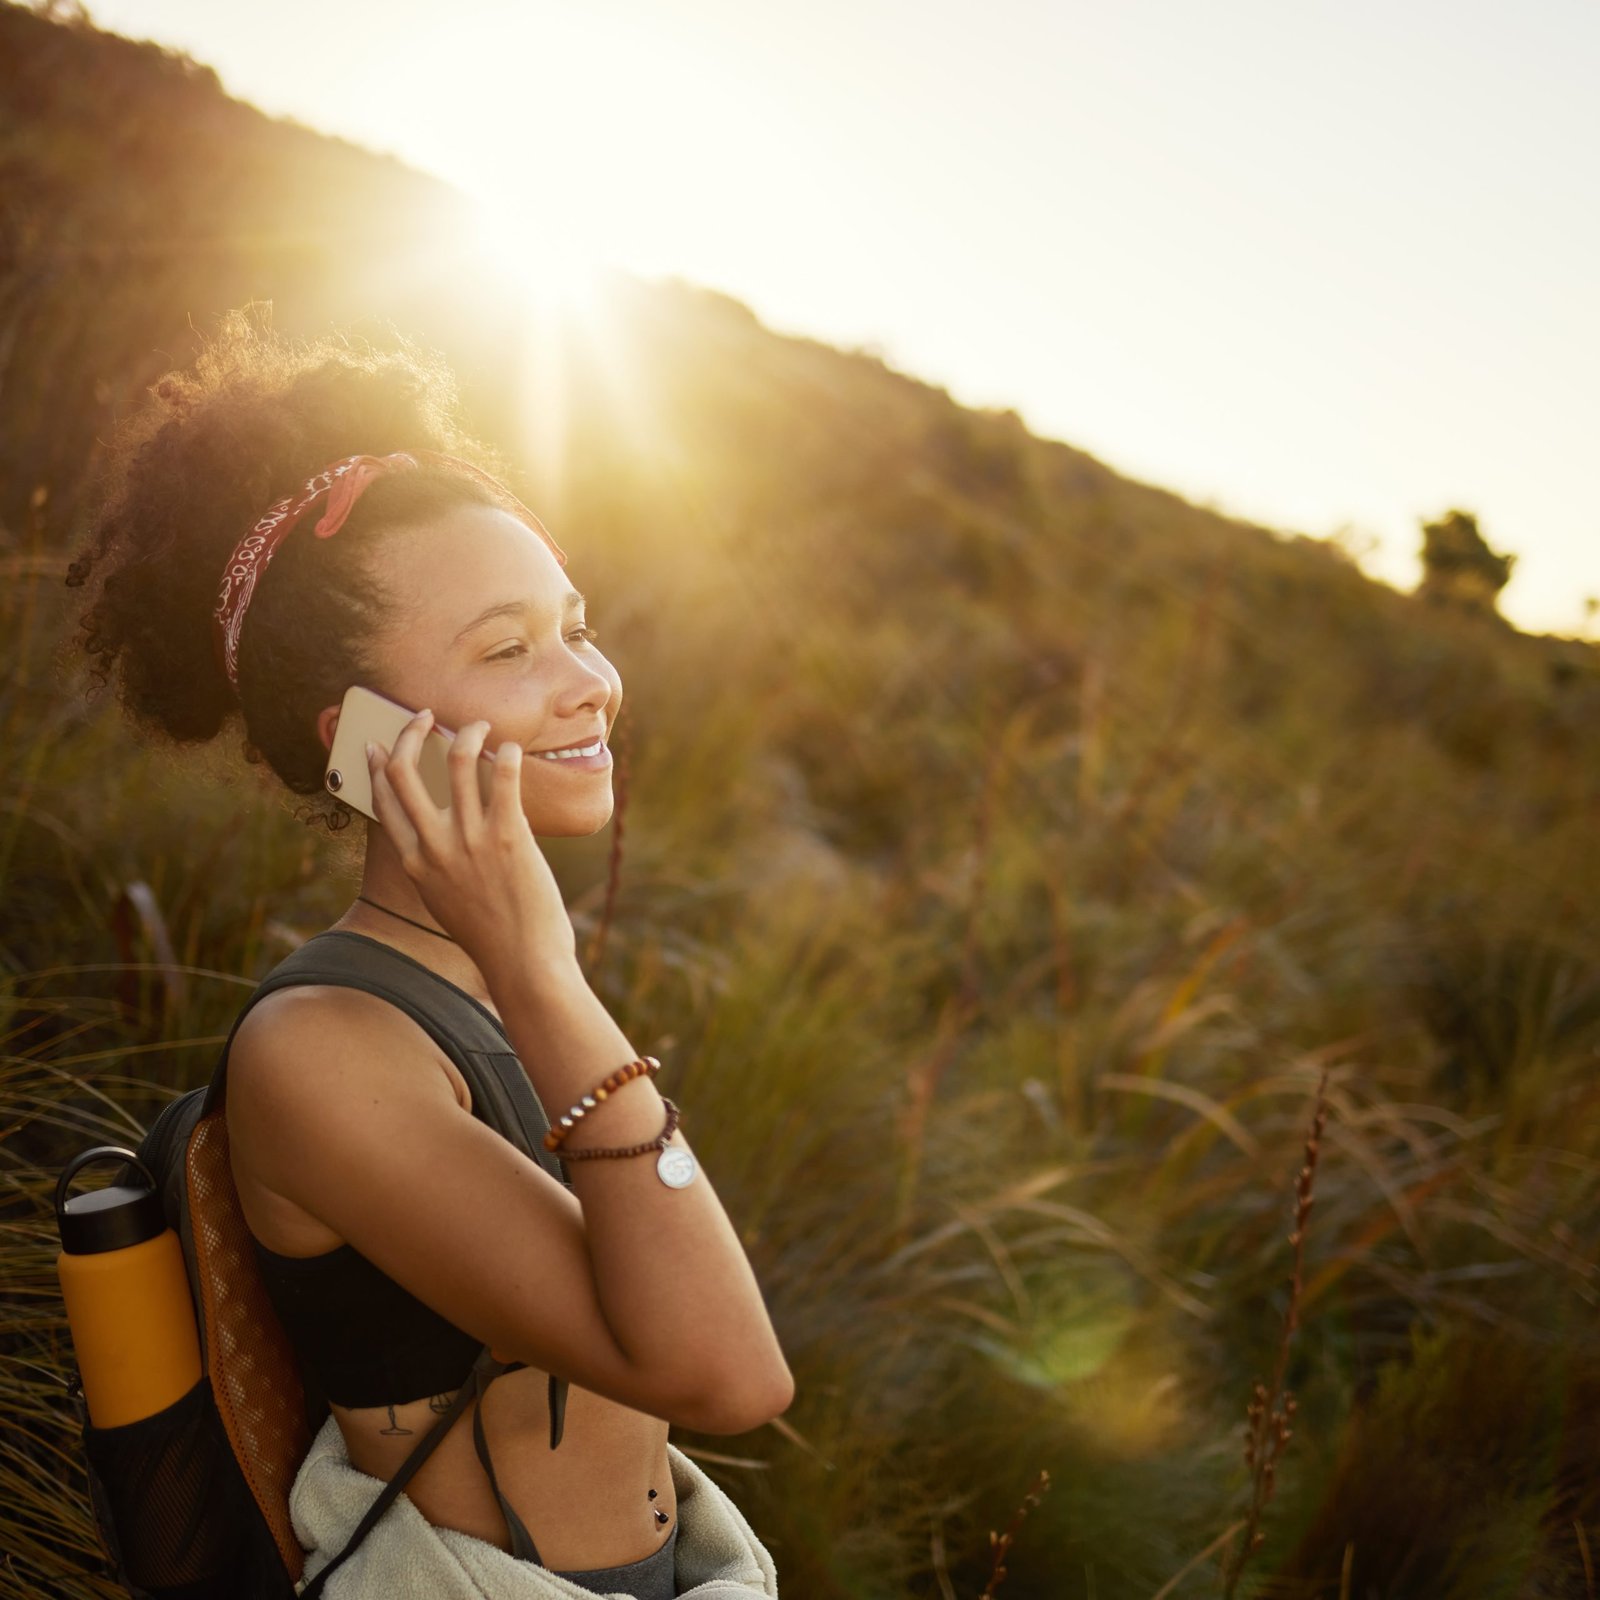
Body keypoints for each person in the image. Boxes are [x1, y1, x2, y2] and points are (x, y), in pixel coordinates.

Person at [64, 308, 794, 1598]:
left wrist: (530, 969)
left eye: (575, 623)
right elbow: (728, 1377)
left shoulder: (485, 976)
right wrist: (547, 971)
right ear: (362, 737)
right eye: (508, 649)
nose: (592, 679)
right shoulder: (323, 1049)